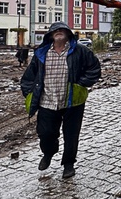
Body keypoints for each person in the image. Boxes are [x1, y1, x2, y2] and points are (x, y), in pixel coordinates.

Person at [20, 22, 101, 179]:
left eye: (62, 30)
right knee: (46, 133)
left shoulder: (80, 51)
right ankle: (49, 153)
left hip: (72, 100)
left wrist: (81, 83)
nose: (58, 32)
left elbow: (94, 68)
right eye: (55, 31)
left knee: (71, 134)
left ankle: (68, 164)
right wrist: (29, 92)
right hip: (47, 100)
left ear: (68, 33)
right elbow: (29, 76)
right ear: (50, 35)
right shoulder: (41, 53)